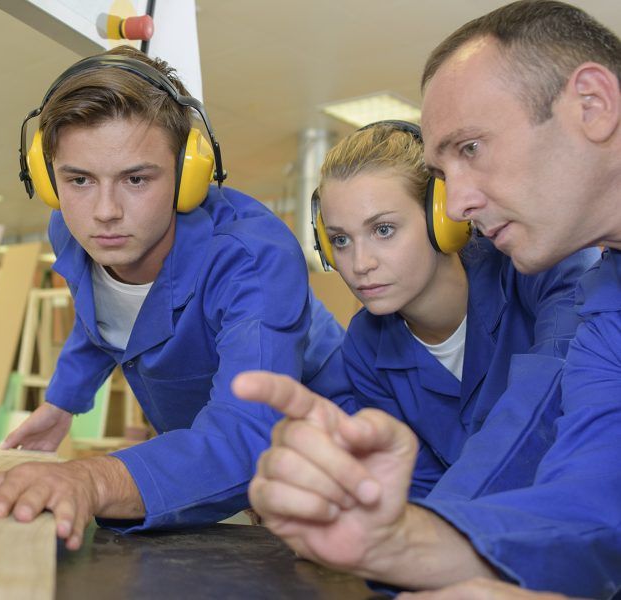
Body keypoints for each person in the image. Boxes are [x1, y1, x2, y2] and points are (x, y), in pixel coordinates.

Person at [239, 1, 621, 597]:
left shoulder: (566, 284)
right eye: (444, 173)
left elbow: (532, 428)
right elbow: (593, 498)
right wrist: (389, 539)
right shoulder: (610, 309)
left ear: (592, 104)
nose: (460, 203)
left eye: (470, 148)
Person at [0, 45, 351, 550]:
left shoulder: (252, 257)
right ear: (50, 180)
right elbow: (101, 315)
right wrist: (63, 402)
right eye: (79, 180)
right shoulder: (72, 230)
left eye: (136, 179)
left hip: (329, 448)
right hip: (207, 447)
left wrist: (94, 479)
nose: (105, 211)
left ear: (187, 175)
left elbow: (247, 430)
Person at [311, 120, 595, 500]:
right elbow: (416, 487)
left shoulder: (540, 270)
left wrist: (441, 524)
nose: (359, 264)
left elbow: (545, 403)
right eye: (341, 240)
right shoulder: (365, 345)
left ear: (442, 219)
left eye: (383, 230)